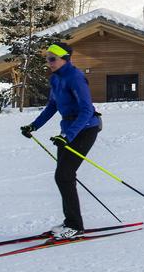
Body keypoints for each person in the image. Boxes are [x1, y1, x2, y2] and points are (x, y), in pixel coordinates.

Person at [20, 43, 101, 240]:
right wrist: (34, 126)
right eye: (47, 58)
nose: (49, 62)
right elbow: (52, 106)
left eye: (52, 58)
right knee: (63, 176)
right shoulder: (55, 78)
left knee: (64, 175)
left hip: (85, 129)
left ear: (65, 59)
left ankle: (75, 226)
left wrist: (67, 136)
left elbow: (86, 110)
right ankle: (70, 221)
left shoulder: (75, 77)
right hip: (69, 130)